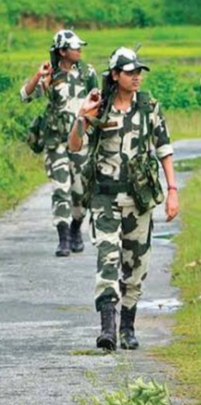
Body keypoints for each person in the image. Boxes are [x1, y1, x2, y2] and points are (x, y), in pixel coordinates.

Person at [68, 47, 179, 351]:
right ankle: (108, 330)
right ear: (115, 75)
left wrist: (172, 191)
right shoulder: (99, 108)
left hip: (139, 200)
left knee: (136, 267)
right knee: (108, 260)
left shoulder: (149, 107)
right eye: (129, 72)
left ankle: (128, 326)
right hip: (105, 199)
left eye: (139, 72)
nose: (136, 77)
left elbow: (164, 150)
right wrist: (82, 116)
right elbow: (75, 145)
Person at [20, 29, 98, 256]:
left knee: (80, 191)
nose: (79, 51)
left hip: (81, 141)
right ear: (62, 51)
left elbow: (98, 100)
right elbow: (25, 95)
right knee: (60, 189)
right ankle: (63, 238)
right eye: (75, 48)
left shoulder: (87, 73)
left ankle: (75, 227)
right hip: (56, 142)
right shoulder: (50, 75)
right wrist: (39, 76)